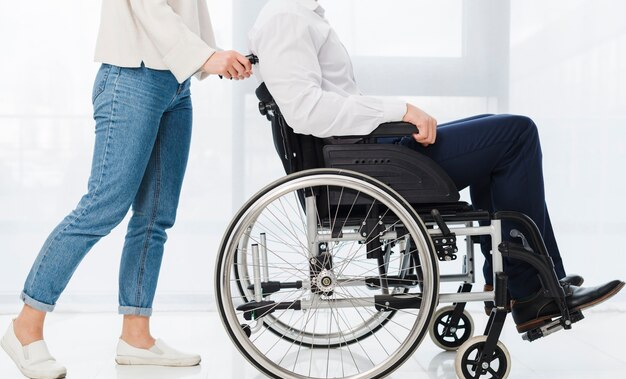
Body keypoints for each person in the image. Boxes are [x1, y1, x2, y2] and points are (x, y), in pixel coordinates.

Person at [248, 0, 624, 332]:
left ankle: (525, 280)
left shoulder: (298, 15)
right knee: (516, 134)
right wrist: (399, 110)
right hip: (363, 166)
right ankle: (533, 290)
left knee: (498, 126)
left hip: (362, 156)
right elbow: (307, 112)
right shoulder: (286, 16)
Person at [1, 0, 253, 379]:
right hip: (130, 77)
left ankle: (136, 336)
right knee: (102, 207)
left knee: (155, 216)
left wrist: (209, 59)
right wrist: (208, 56)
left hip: (176, 84)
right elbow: (149, 8)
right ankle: (26, 325)